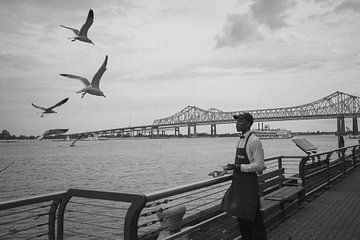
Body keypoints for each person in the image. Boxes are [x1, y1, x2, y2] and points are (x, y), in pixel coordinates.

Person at [221, 112, 267, 240]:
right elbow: (238, 165)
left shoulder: (254, 141)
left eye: (240, 121)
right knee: (242, 221)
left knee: (254, 221)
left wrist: (238, 167)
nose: (237, 124)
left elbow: (259, 165)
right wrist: (226, 171)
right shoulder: (240, 141)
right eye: (237, 121)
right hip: (239, 187)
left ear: (248, 123)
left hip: (249, 187)